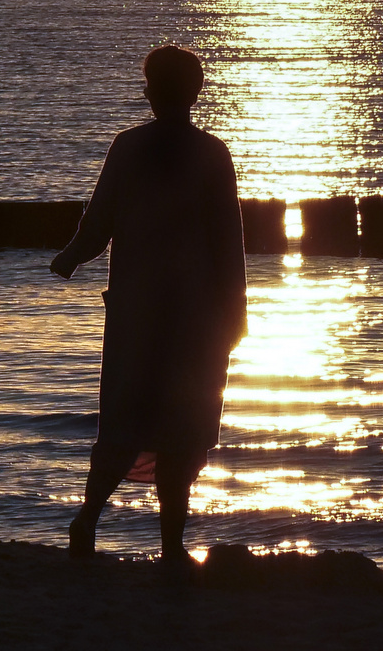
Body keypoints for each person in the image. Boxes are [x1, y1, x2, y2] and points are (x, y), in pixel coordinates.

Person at [49, 45, 246, 577]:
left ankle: (101, 525)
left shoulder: (136, 147)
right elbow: (229, 243)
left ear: (156, 92)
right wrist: (237, 312)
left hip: (152, 315)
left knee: (133, 423)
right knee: (168, 427)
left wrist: (69, 256)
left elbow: (98, 222)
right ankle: (154, 540)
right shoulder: (208, 154)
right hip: (188, 317)